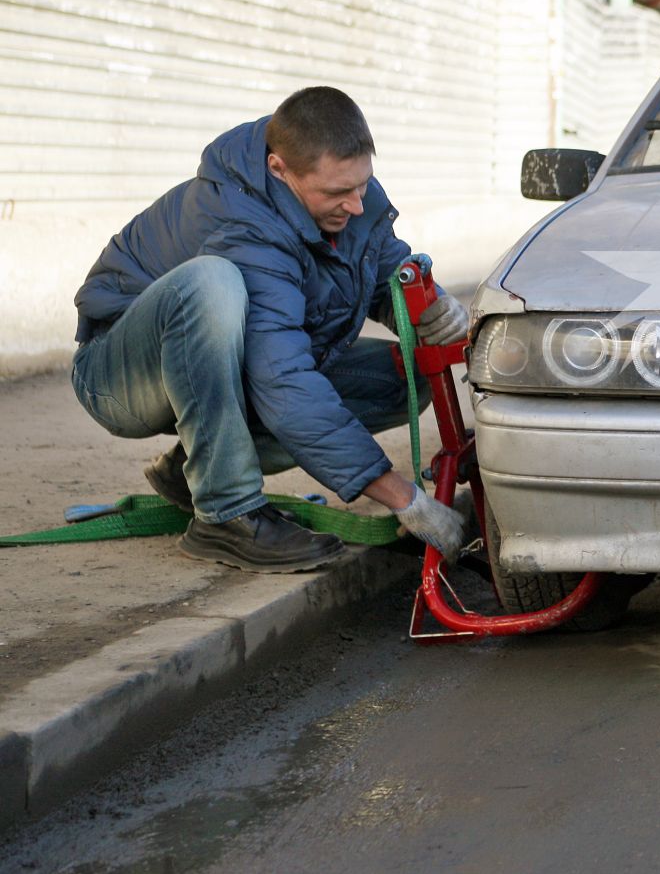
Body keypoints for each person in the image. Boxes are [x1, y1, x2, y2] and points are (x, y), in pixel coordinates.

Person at [70, 87, 473, 572]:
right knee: (211, 283)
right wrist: (402, 497)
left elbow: (380, 267)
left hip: (213, 362)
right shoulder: (242, 222)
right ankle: (226, 512)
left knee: (400, 379)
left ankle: (189, 472)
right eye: (336, 193)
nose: (357, 204)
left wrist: (427, 306)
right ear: (280, 168)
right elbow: (282, 380)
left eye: (361, 185)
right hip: (120, 372)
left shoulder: (345, 190)